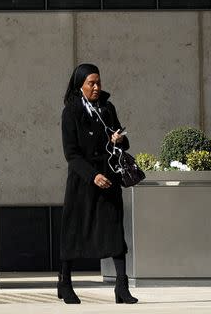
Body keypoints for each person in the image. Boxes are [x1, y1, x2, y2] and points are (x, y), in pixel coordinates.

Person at [58, 63, 138, 304]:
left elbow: (123, 144)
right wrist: (92, 175)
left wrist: (119, 139)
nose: (96, 87)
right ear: (80, 85)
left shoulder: (107, 107)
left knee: (114, 228)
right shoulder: (71, 112)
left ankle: (121, 286)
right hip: (84, 180)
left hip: (109, 175)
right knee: (74, 230)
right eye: (91, 83)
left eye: (98, 82)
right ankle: (65, 283)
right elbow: (71, 154)